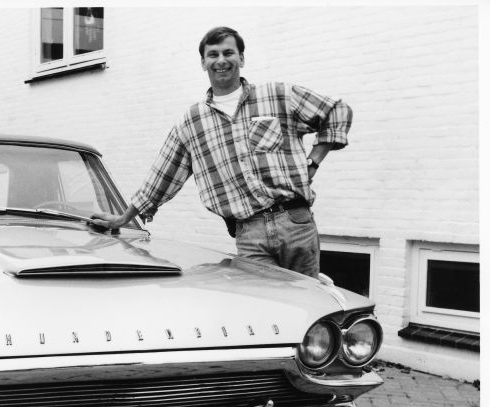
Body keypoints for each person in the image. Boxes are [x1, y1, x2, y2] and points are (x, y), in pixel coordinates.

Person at [90, 26, 352, 278]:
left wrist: (313, 163)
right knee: (264, 302)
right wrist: (123, 218)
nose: (221, 60)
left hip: (296, 223)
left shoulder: (278, 95)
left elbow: (337, 111)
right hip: (249, 233)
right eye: (213, 54)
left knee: (308, 300)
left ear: (241, 58)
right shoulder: (192, 122)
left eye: (228, 53)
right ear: (203, 63)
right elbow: (161, 176)